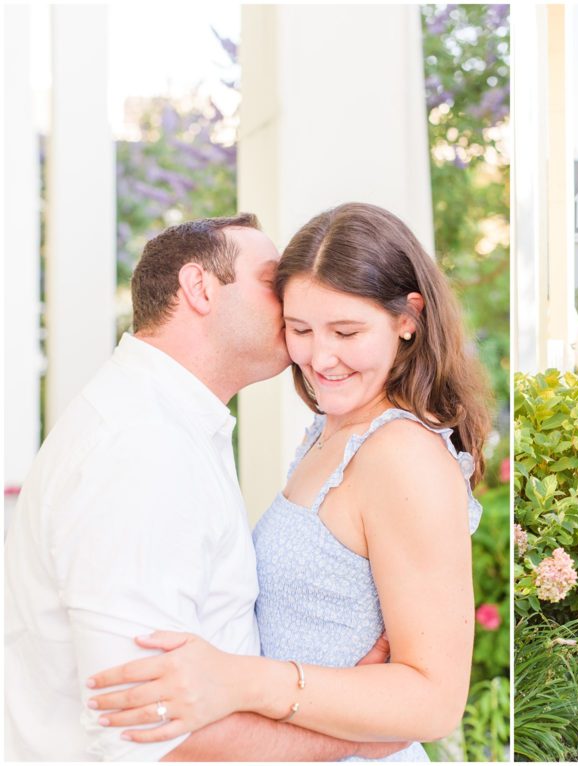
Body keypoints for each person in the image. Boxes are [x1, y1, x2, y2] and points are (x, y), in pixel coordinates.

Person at [85, 203, 491, 760]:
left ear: (407, 319)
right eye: (299, 329)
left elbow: (435, 701)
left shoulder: (402, 455)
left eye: (346, 331)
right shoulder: (332, 431)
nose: (320, 358)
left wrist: (243, 681)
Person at [5, 214, 404, 760]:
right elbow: (145, 733)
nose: (292, 299)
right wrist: (349, 740)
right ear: (199, 288)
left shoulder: (165, 424)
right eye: (272, 281)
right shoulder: (140, 448)